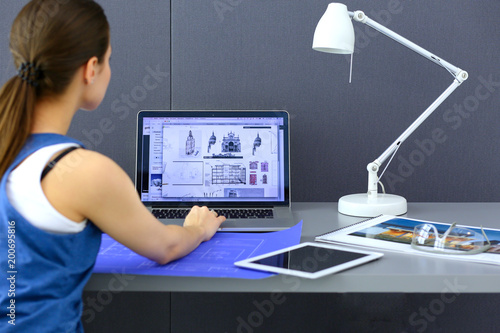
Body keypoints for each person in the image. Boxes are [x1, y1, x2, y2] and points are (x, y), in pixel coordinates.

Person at [0, 1, 225, 331]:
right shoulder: (82, 171)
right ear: (91, 69)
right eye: (109, 60)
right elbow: (167, 247)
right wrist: (198, 229)